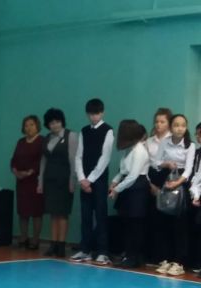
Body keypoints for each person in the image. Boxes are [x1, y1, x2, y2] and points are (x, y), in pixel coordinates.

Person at [151, 114, 195, 276]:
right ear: (171, 127)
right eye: (176, 125)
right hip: (166, 178)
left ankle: (179, 262)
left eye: (183, 125)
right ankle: (165, 259)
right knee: (163, 222)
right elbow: (156, 162)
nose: (179, 128)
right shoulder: (165, 142)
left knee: (180, 224)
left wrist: (178, 183)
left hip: (181, 183)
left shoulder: (190, 145)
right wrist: (166, 164)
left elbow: (189, 169)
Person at [71, 99, 114, 265]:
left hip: (99, 180)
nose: (93, 117)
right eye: (90, 114)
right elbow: (78, 156)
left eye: (96, 113)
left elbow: (105, 158)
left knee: (101, 216)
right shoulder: (84, 131)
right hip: (84, 180)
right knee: (85, 216)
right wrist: (82, 178)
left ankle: (103, 251)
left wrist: (90, 179)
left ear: (102, 113)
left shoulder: (108, 130)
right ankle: (85, 250)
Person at [37, 108, 78, 258]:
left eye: (57, 122)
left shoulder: (71, 136)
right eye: (51, 123)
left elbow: (73, 160)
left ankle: (61, 246)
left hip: (64, 180)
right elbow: (43, 161)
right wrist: (40, 182)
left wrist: (72, 181)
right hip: (50, 180)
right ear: (48, 125)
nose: (55, 125)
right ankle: (53, 245)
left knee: (62, 214)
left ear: (62, 122)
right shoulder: (47, 138)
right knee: (53, 214)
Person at [109, 120, 149, 268]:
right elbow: (123, 171)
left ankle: (134, 256)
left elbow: (133, 176)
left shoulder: (139, 150)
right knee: (127, 223)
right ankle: (128, 254)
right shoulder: (129, 149)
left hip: (137, 188)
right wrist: (114, 181)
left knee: (135, 225)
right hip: (128, 187)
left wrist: (116, 189)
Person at [10, 115, 44, 249]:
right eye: (26, 125)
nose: (29, 128)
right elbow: (14, 159)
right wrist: (15, 171)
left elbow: (42, 161)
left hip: (35, 182)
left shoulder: (42, 141)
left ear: (37, 126)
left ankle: (35, 240)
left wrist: (30, 172)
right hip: (21, 182)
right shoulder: (20, 142)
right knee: (23, 211)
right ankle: (23, 237)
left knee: (36, 212)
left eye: (31, 125)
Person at [144, 108, 172, 266]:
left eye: (162, 122)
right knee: (151, 219)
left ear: (169, 124)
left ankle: (166, 257)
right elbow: (145, 165)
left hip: (168, 180)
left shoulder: (173, 141)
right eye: (156, 121)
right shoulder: (149, 141)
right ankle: (152, 256)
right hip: (151, 180)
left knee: (165, 221)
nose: (158, 124)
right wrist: (150, 184)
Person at [187, 122, 201, 275]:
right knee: (196, 229)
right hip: (195, 196)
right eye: (198, 134)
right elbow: (196, 177)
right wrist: (195, 194)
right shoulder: (196, 153)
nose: (199, 136)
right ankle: (196, 262)